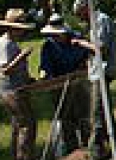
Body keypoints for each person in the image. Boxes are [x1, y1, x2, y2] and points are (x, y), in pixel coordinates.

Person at [72, 0, 116, 159]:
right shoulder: (96, 22)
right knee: (105, 110)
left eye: (80, 13)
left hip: (102, 71)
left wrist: (80, 43)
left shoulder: (101, 20)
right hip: (98, 70)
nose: (79, 17)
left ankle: (94, 152)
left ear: (85, 8)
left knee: (97, 113)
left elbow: (101, 48)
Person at [39, 13, 95, 157]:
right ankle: (72, 150)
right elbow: (45, 66)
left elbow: (89, 55)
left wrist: (84, 66)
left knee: (84, 116)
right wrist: (44, 74)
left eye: (57, 34)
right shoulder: (48, 45)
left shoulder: (77, 39)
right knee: (66, 119)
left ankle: (89, 147)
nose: (55, 37)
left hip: (79, 83)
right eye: (52, 34)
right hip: (59, 85)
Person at [0, 8, 37, 160]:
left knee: (18, 126)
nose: (22, 32)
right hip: (11, 92)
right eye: (19, 29)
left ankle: (18, 156)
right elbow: (5, 70)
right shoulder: (5, 44)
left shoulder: (11, 42)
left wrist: (28, 79)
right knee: (27, 125)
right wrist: (22, 56)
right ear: (11, 28)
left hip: (15, 89)